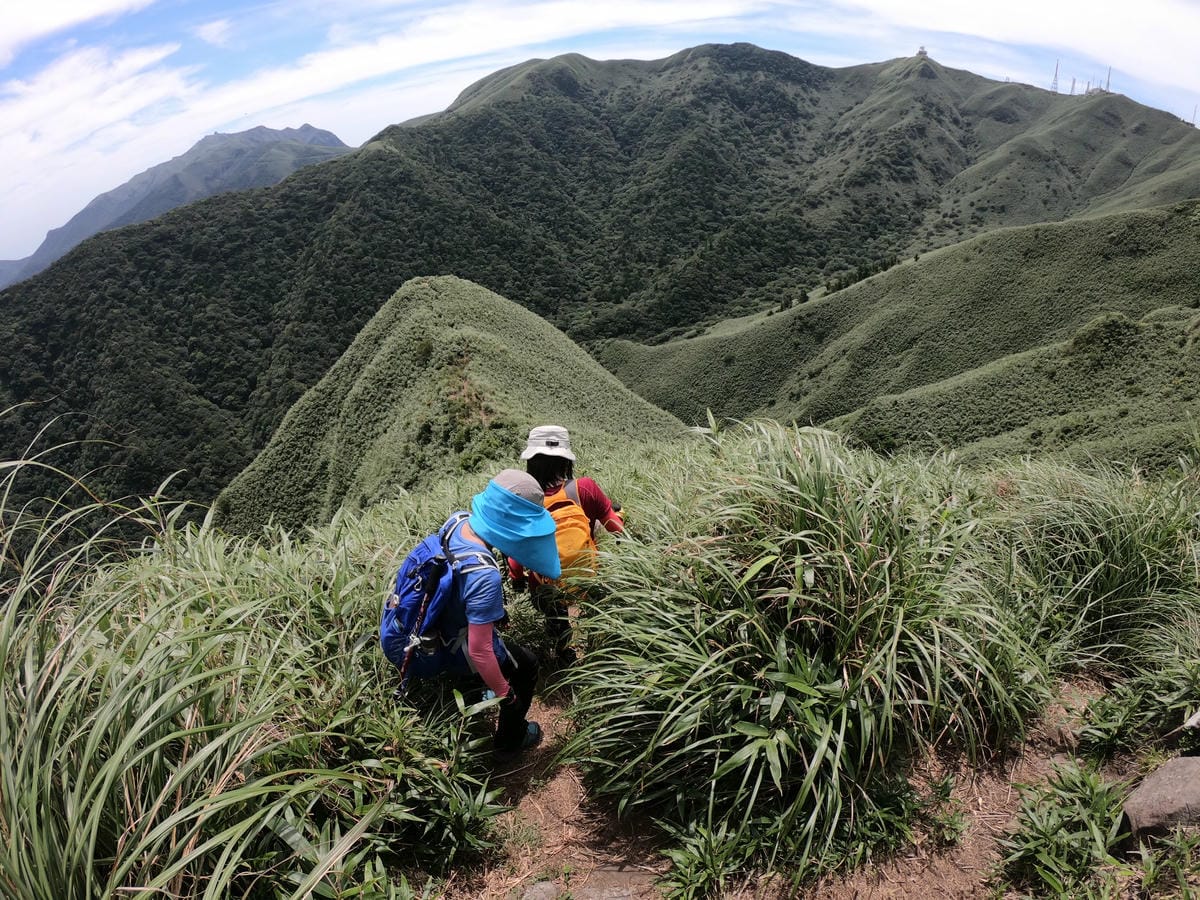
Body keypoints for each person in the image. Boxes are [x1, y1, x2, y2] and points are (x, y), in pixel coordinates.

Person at [381, 469, 561, 759]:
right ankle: (509, 742)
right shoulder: (484, 575)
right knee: (526, 666)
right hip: (443, 644)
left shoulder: (459, 521)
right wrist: (507, 693)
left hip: (411, 626)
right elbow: (480, 652)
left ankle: (477, 692)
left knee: (493, 651)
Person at [510, 425, 624, 664]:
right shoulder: (584, 488)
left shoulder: (524, 502)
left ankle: (564, 653)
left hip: (546, 588)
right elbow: (616, 528)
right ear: (565, 460)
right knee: (593, 600)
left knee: (552, 609)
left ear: (531, 462)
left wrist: (516, 579)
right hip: (588, 577)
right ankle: (597, 647)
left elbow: (516, 557)